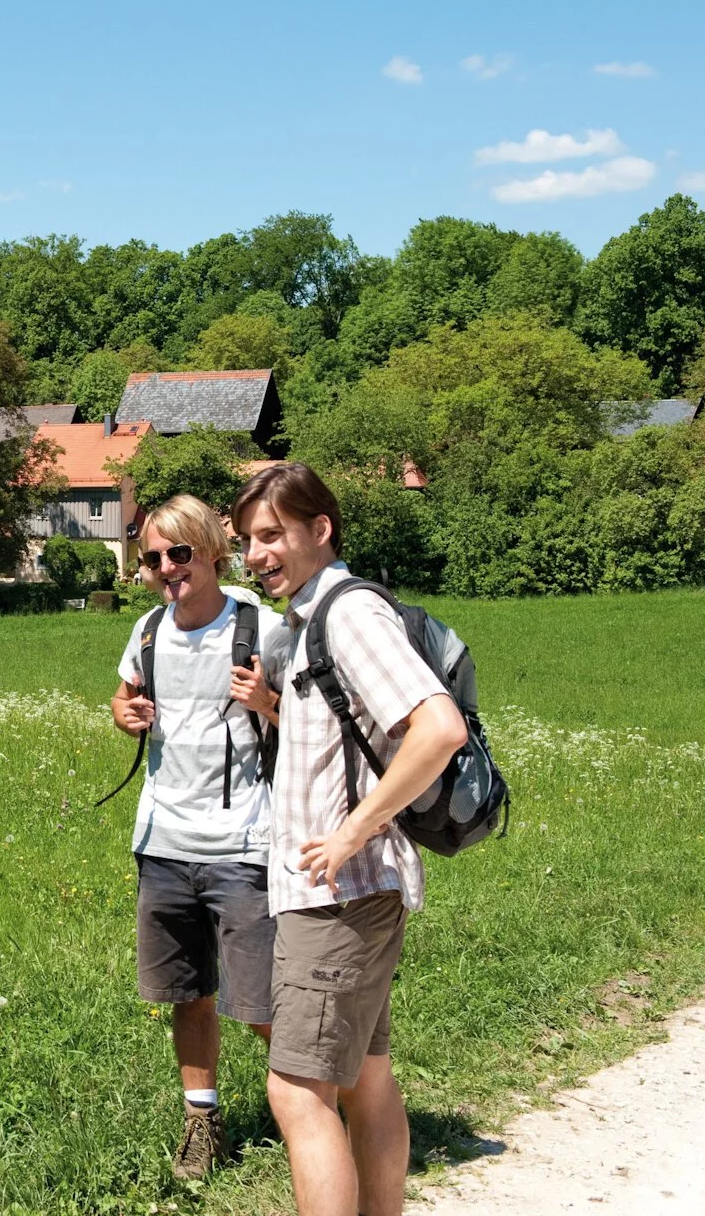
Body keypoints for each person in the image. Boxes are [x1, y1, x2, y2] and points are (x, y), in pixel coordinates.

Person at [231, 463, 467, 1216]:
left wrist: (349, 834)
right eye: (247, 541)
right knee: (367, 1076)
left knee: (298, 1090)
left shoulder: (348, 613)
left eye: (271, 535)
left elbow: (438, 728)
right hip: (347, 893)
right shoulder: (311, 620)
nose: (256, 554)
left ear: (320, 528)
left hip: (340, 895)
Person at [107, 495, 292, 1180]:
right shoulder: (149, 631)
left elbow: (310, 726)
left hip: (244, 843)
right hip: (164, 840)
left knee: (264, 1001)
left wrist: (267, 704)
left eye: (178, 553)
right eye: (153, 557)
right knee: (188, 992)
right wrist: (125, 714)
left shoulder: (262, 630)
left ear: (213, 552)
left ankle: (317, 1108)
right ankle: (202, 1122)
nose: (165, 568)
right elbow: (122, 697)